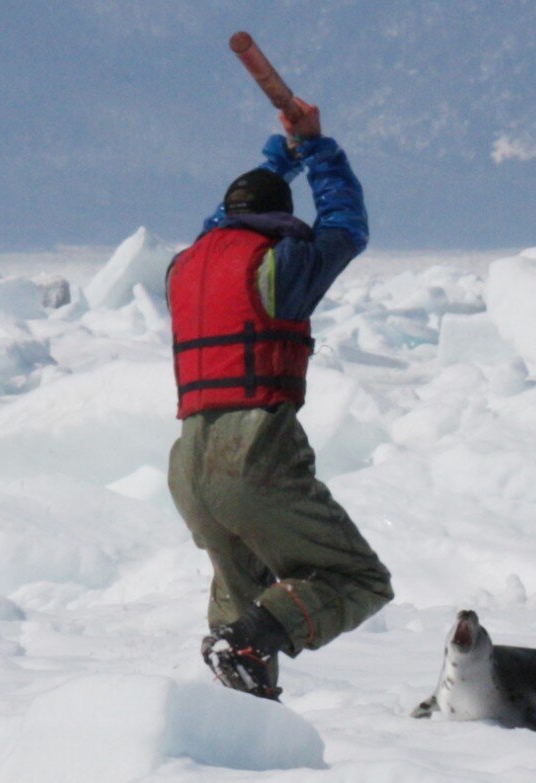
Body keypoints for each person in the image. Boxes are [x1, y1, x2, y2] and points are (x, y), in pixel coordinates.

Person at [167, 98, 394, 700]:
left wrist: (281, 156)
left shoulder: (185, 265)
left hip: (189, 466)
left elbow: (227, 217)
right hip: (256, 454)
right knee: (356, 578)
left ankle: (236, 729)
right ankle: (249, 642)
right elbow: (346, 226)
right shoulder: (280, 265)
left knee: (240, 612)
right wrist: (319, 151)